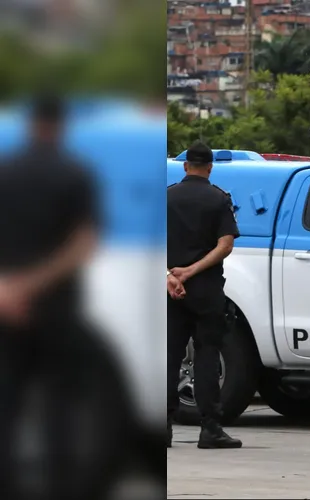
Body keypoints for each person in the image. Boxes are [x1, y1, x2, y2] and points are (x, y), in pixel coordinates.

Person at [0, 94, 121, 499]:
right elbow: (84, 243)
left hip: (6, 307)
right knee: (60, 406)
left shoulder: (6, 172)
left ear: (30, 124)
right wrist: (35, 285)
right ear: (60, 127)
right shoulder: (75, 173)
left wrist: (9, 289)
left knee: (8, 401)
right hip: (56, 308)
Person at [167, 142, 242, 449]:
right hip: (206, 289)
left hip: (171, 289)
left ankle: (163, 428)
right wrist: (192, 271)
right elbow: (225, 244)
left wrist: (172, 275)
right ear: (210, 167)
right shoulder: (218, 199)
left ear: (185, 166)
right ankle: (210, 428)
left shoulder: (167, 196)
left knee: (168, 357)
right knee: (207, 354)